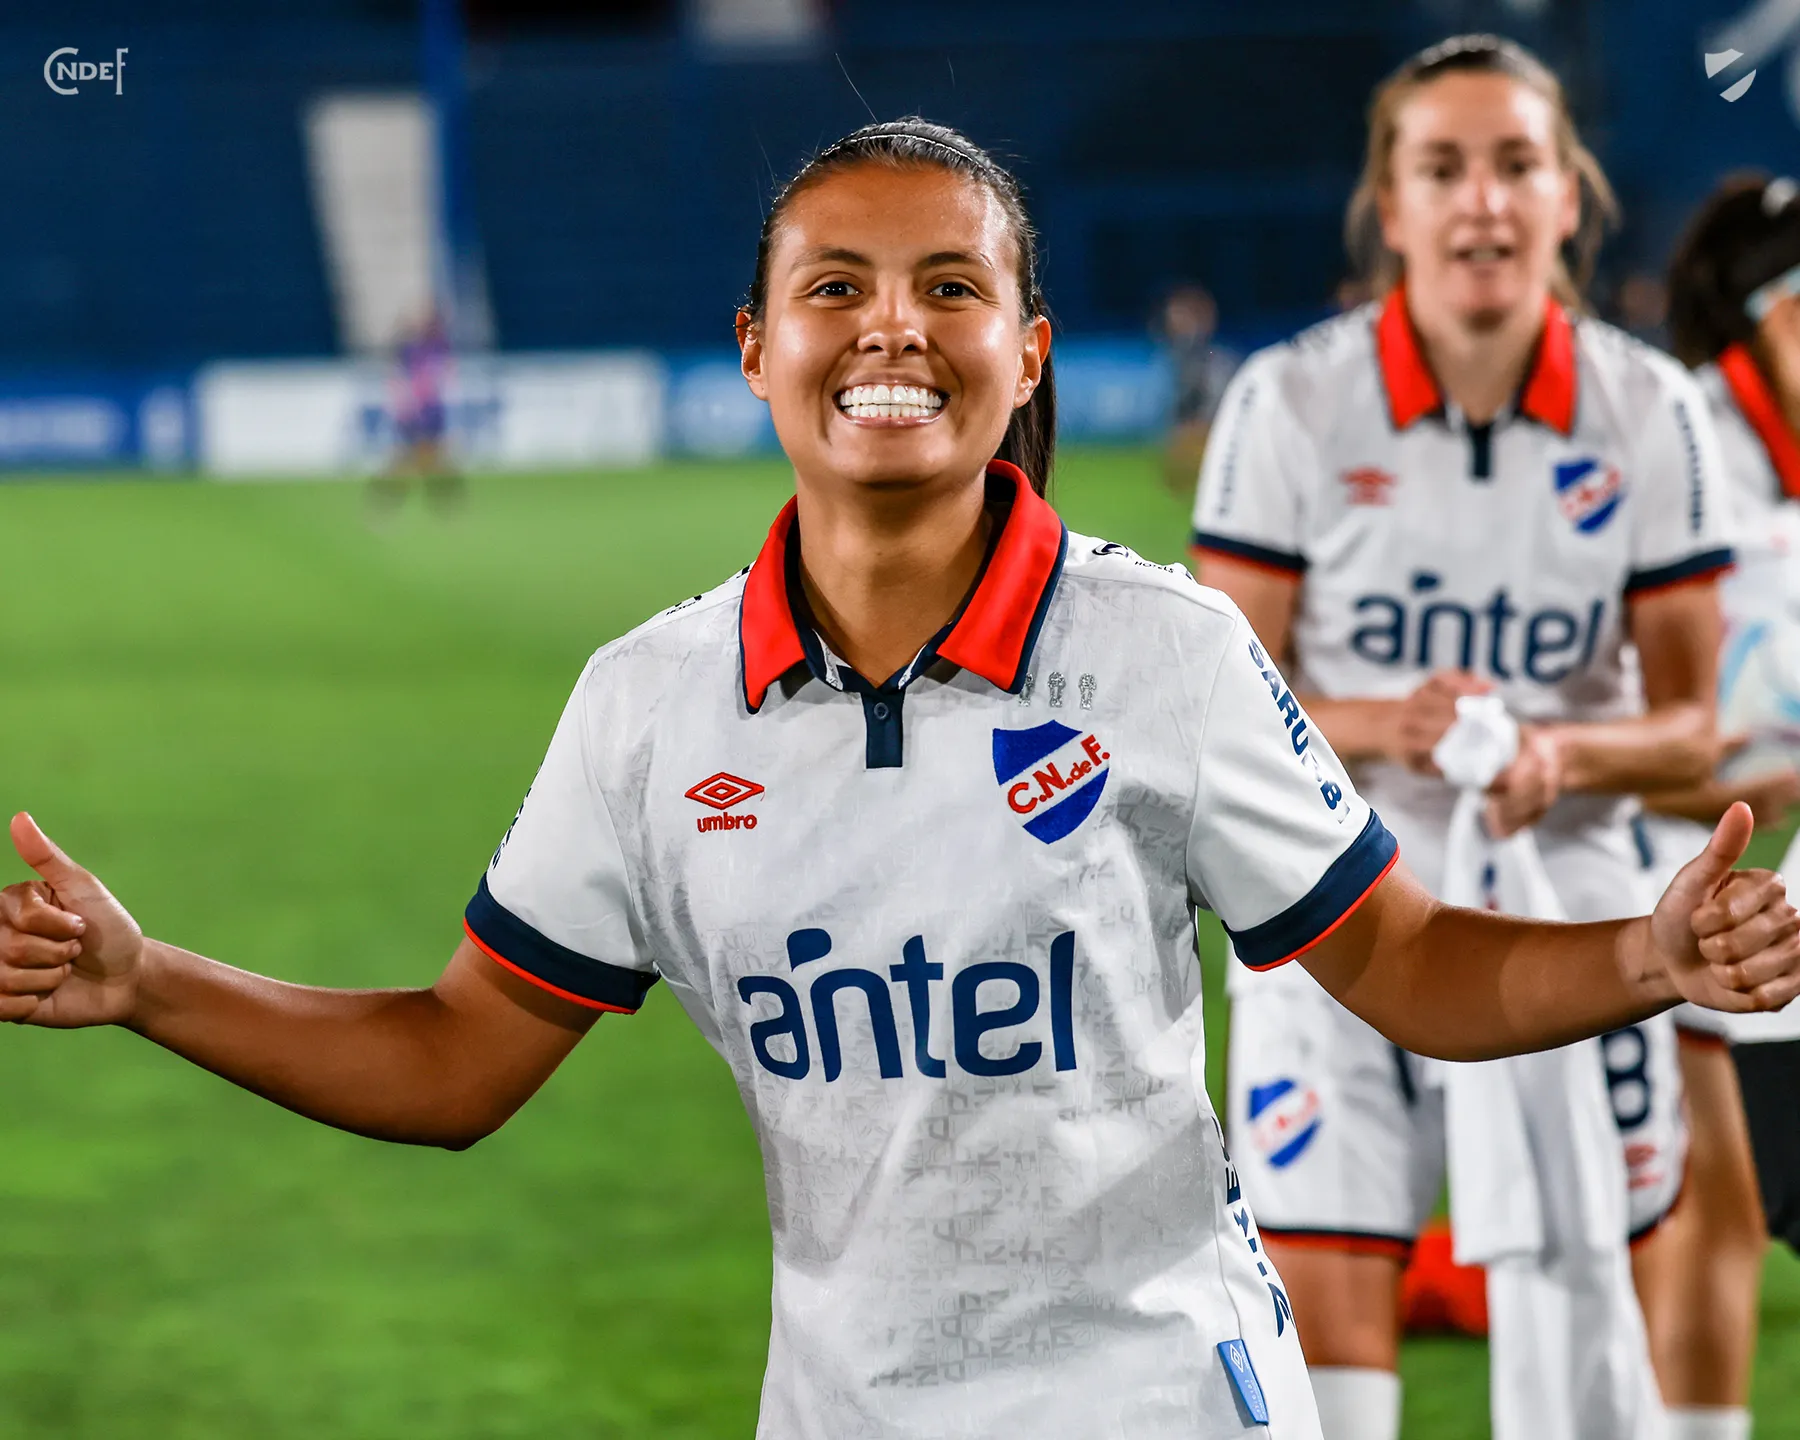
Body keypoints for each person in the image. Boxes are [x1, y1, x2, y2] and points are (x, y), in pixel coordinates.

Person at [5, 119, 1798, 1440]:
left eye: (951, 287)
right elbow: (460, 1056)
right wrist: (150, 984)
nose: (890, 329)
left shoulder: (1160, 654)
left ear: (1026, 352)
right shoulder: (648, 710)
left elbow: (1402, 960)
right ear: (755, 346)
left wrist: (1648, 955)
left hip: (1164, 1405)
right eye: (834, 289)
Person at [1190, 35, 1741, 1440]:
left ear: (1569, 195)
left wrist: (1562, 756)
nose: (1482, 200)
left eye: (1516, 165)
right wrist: (1391, 724)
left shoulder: (1650, 410)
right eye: (1443, 168)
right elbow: (1211, 703)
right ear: (1393, 204)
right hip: (1332, 908)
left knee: (1583, 1309)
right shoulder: (1290, 402)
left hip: (1573, 916)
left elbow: (1696, 730)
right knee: (1327, 1335)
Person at [1626, 170, 1800, 1440]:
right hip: (1638, 875)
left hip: (1740, 871)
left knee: (1727, 1205)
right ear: (1781, 315)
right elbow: (1628, 741)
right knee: (1701, 1202)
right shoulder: (1688, 460)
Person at [1158, 283, 1240, 491]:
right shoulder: (1179, 356)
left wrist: (1199, 426)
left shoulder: (1214, 358)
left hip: (1216, 420)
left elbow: (1217, 397)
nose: (1174, 323)